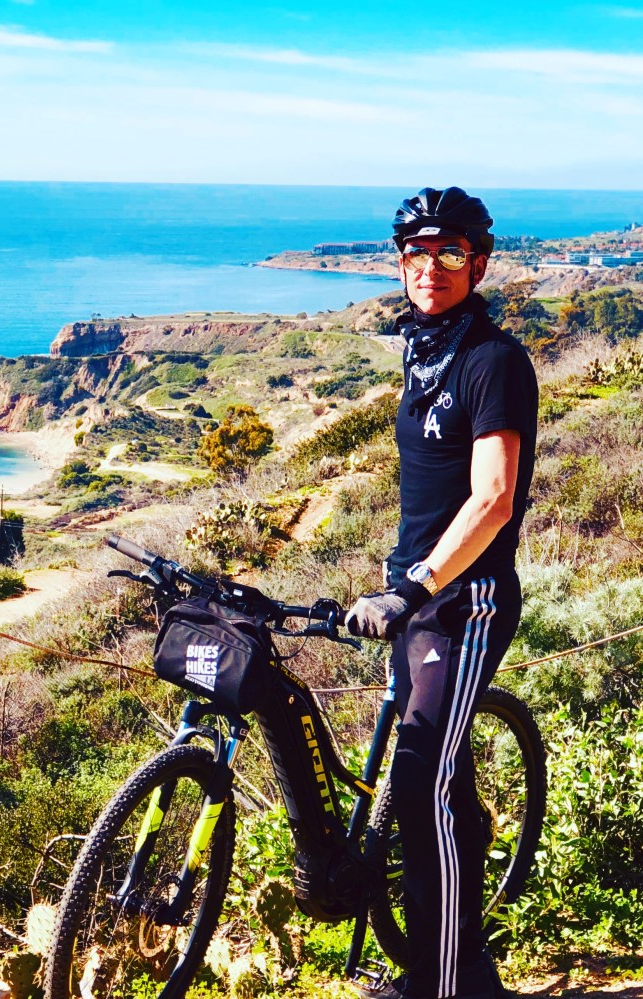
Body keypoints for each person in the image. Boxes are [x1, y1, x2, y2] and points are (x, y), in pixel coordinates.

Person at [344, 187, 538, 999]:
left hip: (466, 602)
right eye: (416, 254)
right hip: (411, 597)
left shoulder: (492, 360)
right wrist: (397, 585)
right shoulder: (420, 348)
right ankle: (466, 968)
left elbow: (492, 498)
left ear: (478, 263)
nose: (430, 268)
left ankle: (444, 982)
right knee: (435, 786)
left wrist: (419, 584)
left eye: (449, 253)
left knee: (417, 778)